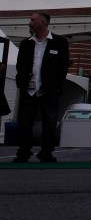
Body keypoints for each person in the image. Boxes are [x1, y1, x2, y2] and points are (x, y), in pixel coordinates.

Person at [14, 12, 70, 163]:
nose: (29, 23)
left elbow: (63, 66)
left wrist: (56, 86)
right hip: (29, 90)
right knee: (24, 121)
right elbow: (20, 66)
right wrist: (22, 84)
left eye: (33, 20)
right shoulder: (26, 44)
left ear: (43, 22)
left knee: (50, 122)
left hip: (49, 90)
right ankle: (23, 152)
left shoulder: (60, 42)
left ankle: (46, 152)